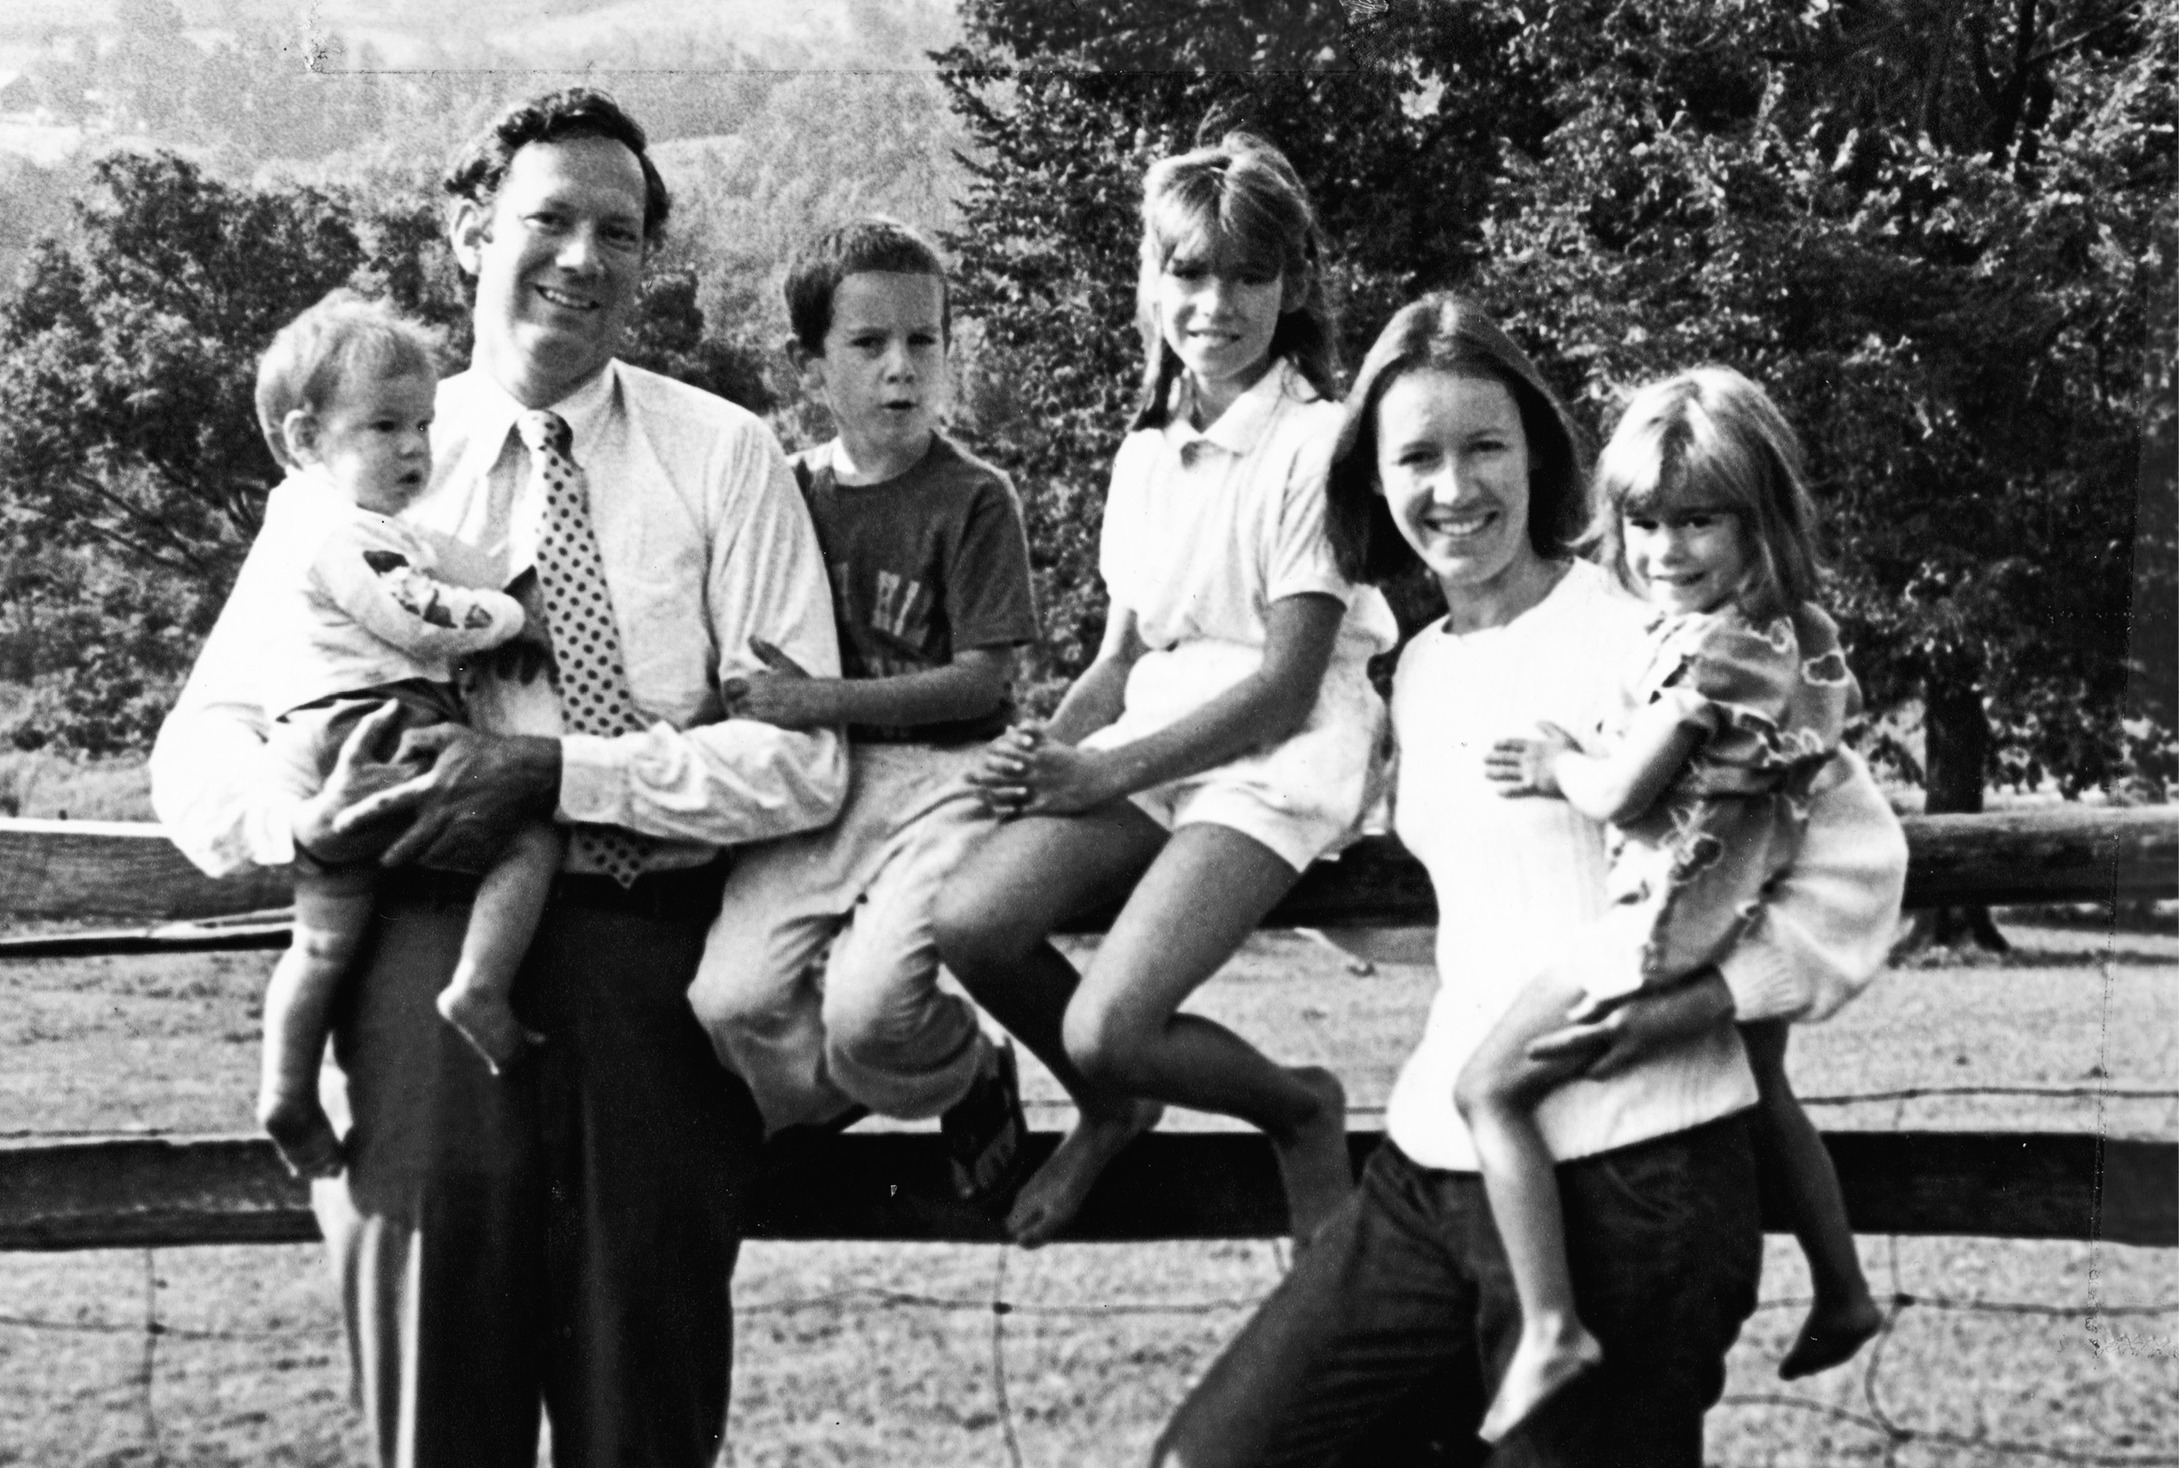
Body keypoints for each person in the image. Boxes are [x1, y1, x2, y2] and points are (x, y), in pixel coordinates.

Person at [149, 88, 845, 1468]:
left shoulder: (724, 456)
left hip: (651, 977)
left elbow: (799, 758)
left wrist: (553, 772)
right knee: (437, 1402)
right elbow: (199, 747)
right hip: (412, 973)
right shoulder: (366, 462)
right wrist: (301, 813)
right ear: (473, 233)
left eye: (620, 231)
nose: (583, 257)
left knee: (636, 1418)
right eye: (549, 220)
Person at [1154, 295, 1906, 1468]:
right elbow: (1466, 905)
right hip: (1434, 1170)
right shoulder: (1417, 674)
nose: (1452, 488)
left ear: (1539, 454)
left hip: (1638, 1184)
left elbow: (1859, 857)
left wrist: (1700, 1004)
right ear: (1372, 480)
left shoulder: (1653, 635)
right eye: (1415, 456)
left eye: (1483, 446)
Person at [933, 133, 1399, 1248]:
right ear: (1152, 282)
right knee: (972, 920)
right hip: (1153, 746)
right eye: (1189, 272)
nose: (1216, 303)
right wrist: (1040, 758)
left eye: (1249, 275)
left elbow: (1286, 688)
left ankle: (1298, 1109)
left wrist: (1098, 769)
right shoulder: (1145, 454)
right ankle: (1114, 1110)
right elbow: (1121, 661)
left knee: (1106, 1023)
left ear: (1290, 291)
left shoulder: (1317, 444)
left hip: (1274, 759)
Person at [1464, 365, 1881, 1439]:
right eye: (1644, 522)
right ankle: (1843, 1288)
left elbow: (1619, 789)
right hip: (1736, 904)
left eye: (1698, 521)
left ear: (1759, 519)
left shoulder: (1709, 655)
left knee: (1487, 1091)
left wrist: (1556, 759)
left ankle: (1550, 1322)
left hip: (1659, 926)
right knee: (1767, 1086)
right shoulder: (1796, 635)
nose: (1664, 551)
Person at [687, 217, 1035, 1202]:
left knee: (873, 1009)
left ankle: (962, 1063)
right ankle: (854, 1095)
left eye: (923, 342)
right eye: (867, 344)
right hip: (820, 783)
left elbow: (982, 682)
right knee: (731, 1000)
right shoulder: (782, 491)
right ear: (810, 367)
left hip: (946, 780)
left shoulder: (974, 497)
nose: (901, 370)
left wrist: (812, 698)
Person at [243, 292, 560, 1181]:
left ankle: (287, 1089)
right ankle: (479, 986)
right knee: (530, 835)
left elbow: (427, 560)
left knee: (322, 945)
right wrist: (509, 618)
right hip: (381, 729)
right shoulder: (344, 533)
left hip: (313, 747)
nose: (415, 448)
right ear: (307, 438)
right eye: (383, 427)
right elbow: (416, 611)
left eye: (421, 425)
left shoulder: (303, 522)